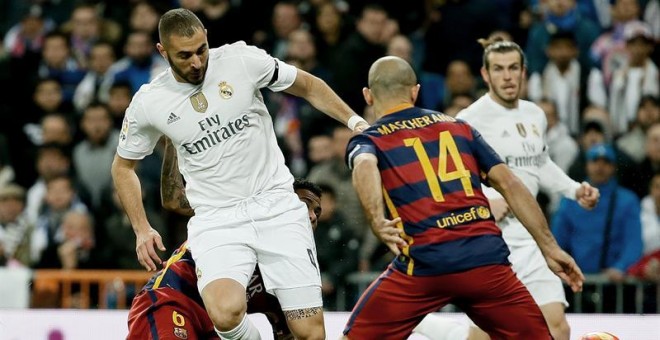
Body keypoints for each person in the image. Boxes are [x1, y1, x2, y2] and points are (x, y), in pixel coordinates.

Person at [111, 8, 367, 340]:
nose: (197, 62)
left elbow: (307, 85)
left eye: (201, 50)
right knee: (225, 313)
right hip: (218, 218)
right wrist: (141, 228)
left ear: (206, 34)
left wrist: (357, 124)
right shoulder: (149, 102)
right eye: (184, 55)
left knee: (310, 333)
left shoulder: (242, 60)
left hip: (276, 206)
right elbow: (122, 166)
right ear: (163, 51)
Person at [342, 56, 585, 340]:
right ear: (415, 91)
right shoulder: (460, 128)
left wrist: (376, 218)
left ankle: (421, 324)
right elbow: (510, 183)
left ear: (368, 96)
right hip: (485, 261)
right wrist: (550, 247)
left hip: (423, 266)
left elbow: (365, 166)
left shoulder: (370, 139)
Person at [417, 38, 600, 340]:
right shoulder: (467, 120)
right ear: (485, 74)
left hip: (532, 236)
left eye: (514, 68)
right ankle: (427, 326)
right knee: (487, 337)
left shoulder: (534, 114)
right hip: (490, 239)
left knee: (557, 327)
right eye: (499, 69)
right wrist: (487, 198)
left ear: (524, 71)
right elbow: (446, 179)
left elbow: (539, 162)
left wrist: (574, 189)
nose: (507, 76)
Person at [127, 137, 323, 340]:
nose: (312, 215)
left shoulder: (293, 268)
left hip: (217, 326)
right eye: (304, 204)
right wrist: (173, 142)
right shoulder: (239, 213)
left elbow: (288, 334)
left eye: (317, 211)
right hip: (173, 299)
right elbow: (174, 200)